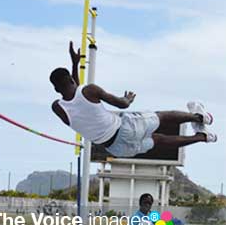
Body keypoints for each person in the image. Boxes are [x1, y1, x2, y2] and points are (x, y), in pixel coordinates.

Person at [50, 42, 216, 158]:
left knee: (159, 141)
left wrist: (74, 66)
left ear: (56, 89)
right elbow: (121, 104)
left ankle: (203, 138)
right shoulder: (90, 90)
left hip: (116, 148)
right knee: (161, 117)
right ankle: (201, 117)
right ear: (72, 80)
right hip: (125, 128)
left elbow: (76, 97)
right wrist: (127, 99)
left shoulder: (58, 108)